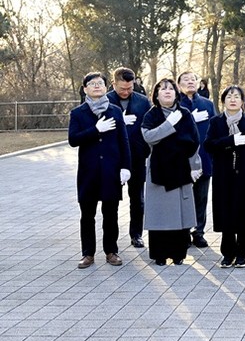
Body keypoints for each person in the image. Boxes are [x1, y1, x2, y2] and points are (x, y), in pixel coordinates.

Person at [68, 72, 131, 269]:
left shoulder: (115, 111)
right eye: (92, 83)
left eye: (100, 83)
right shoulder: (78, 113)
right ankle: (88, 253)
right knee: (87, 215)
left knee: (111, 214)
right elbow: (73, 140)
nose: (96, 86)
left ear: (106, 87)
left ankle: (111, 251)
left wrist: (126, 167)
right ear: (85, 88)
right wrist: (96, 130)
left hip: (111, 170)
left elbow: (123, 141)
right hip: (89, 172)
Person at [141, 78, 202, 266]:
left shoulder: (185, 114)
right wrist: (169, 124)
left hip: (181, 168)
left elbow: (194, 141)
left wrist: (195, 166)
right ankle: (159, 254)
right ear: (156, 94)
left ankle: (178, 254)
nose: (167, 91)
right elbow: (148, 137)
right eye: (162, 89)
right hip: (159, 170)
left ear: (176, 93)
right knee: (160, 215)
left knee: (179, 215)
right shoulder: (151, 115)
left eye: (170, 89)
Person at [204, 85, 245, 268]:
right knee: (226, 215)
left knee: (244, 215)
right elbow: (208, 145)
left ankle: (242, 254)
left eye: (237, 96)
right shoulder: (216, 122)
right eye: (229, 96)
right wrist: (230, 141)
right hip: (223, 176)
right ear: (223, 100)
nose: (233, 100)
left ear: (242, 101)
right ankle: (227, 253)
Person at [107, 67, 152, 248]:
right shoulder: (106, 101)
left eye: (130, 88)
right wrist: (119, 122)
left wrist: (146, 151)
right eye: (122, 88)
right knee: (112, 201)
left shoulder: (142, 101)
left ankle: (136, 234)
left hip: (137, 157)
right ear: (114, 84)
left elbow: (149, 126)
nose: (126, 92)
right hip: (113, 158)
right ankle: (112, 239)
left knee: (138, 200)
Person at [177, 71, 216, 248]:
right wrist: (191, 118)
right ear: (179, 85)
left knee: (201, 198)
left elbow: (216, 129)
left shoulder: (207, 104)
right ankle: (183, 232)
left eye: (193, 79)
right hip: (182, 159)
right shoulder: (175, 104)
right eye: (185, 79)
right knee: (184, 198)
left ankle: (198, 232)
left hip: (204, 157)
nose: (190, 82)